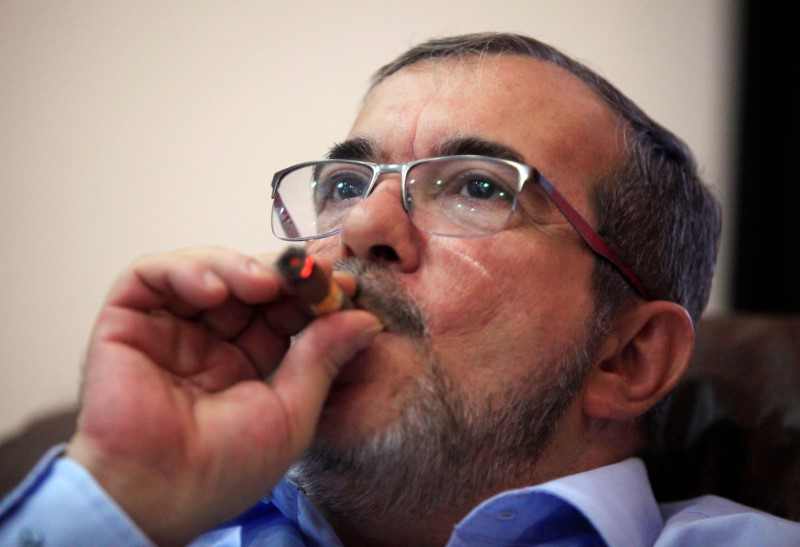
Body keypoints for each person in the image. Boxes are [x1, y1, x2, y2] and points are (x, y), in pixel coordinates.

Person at [1, 32, 798, 546]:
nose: (359, 226)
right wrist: (118, 492)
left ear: (627, 356)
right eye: (346, 182)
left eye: (480, 188)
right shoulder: (136, 520)